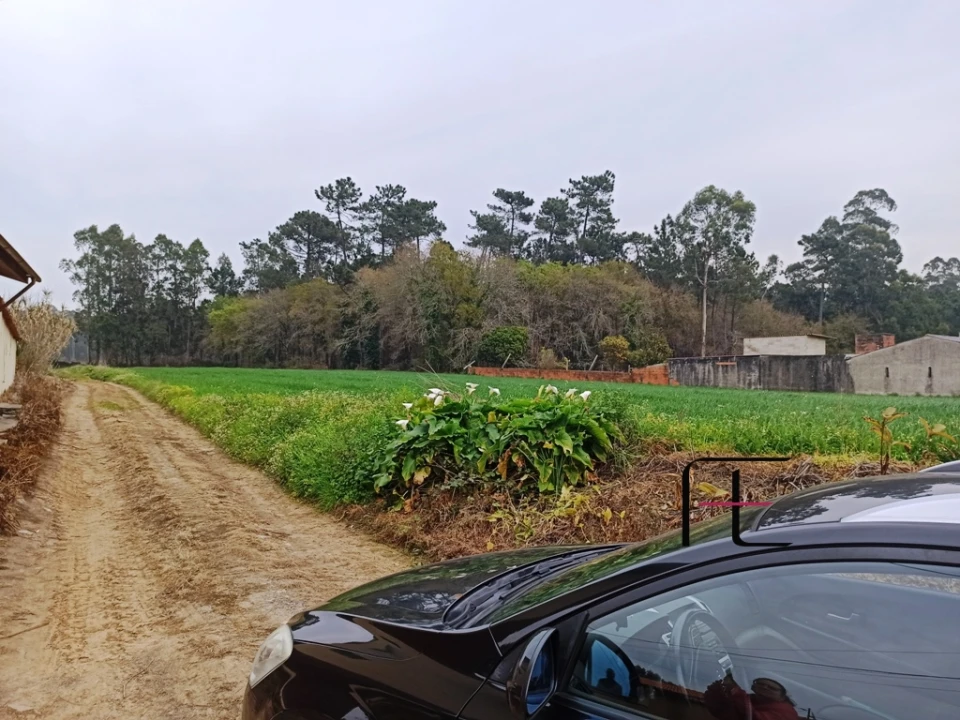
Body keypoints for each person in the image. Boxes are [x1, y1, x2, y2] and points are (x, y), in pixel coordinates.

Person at [704, 673, 799, 720]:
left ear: (782, 696)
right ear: (753, 687)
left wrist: (734, 690)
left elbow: (753, 717)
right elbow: (721, 712)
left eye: (772, 688)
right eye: (761, 684)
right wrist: (719, 689)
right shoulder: (749, 700)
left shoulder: (786, 711)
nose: (765, 688)